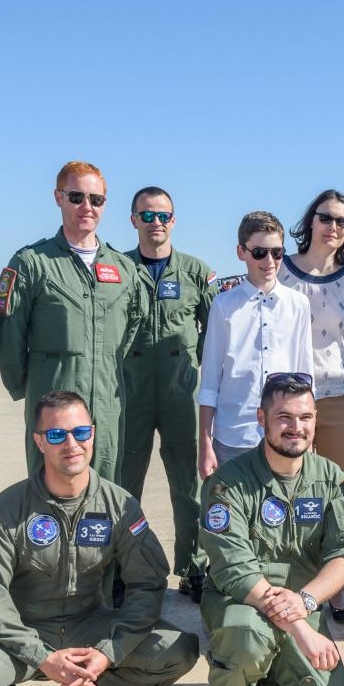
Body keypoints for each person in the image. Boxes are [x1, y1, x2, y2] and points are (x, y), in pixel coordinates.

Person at [0, 391, 198, 686]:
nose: (72, 444)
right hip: (21, 632)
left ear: (92, 433)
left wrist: (108, 653)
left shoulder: (119, 505)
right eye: (57, 435)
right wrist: (41, 657)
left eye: (80, 432)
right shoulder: (8, 509)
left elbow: (147, 583)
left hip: (89, 624)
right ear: (39, 441)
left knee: (177, 650)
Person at [199, 375, 344, 686]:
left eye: (305, 417)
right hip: (243, 604)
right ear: (262, 419)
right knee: (245, 635)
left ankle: (268, 669)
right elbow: (236, 570)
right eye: (284, 417)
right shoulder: (228, 484)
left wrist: (305, 601)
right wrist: (300, 629)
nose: (296, 427)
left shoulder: (330, 477)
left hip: (301, 605)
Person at [0, 160, 147, 481]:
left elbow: (132, 328)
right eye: (76, 197)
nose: (86, 207)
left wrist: (106, 368)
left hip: (106, 407)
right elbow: (10, 334)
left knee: (104, 490)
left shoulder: (124, 269)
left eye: (96, 199)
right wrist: (31, 386)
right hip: (53, 403)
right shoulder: (33, 263)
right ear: (58, 198)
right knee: (50, 490)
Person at [279, 189, 344, 622]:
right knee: (291, 490)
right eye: (326, 218)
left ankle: (335, 587)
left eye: (343, 222)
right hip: (291, 399)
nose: (334, 227)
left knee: (339, 495)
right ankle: (292, 577)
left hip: (342, 398)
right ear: (311, 220)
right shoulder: (280, 270)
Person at [118, 186, 214, 598]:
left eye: (162, 215)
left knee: (188, 487)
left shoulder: (195, 272)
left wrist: (199, 373)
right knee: (123, 486)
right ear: (133, 220)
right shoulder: (117, 269)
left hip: (180, 394)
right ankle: (121, 570)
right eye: (147, 215)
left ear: (173, 221)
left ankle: (193, 567)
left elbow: (215, 333)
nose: (155, 222)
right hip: (130, 393)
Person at [198, 211, 314, 475]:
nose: (269, 261)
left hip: (285, 435)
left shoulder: (298, 305)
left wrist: (308, 436)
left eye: (277, 252)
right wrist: (205, 444)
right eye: (260, 253)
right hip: (233, 437)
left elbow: (305, 375)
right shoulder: (223, 305)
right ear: (241, 252)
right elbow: (210, 382)